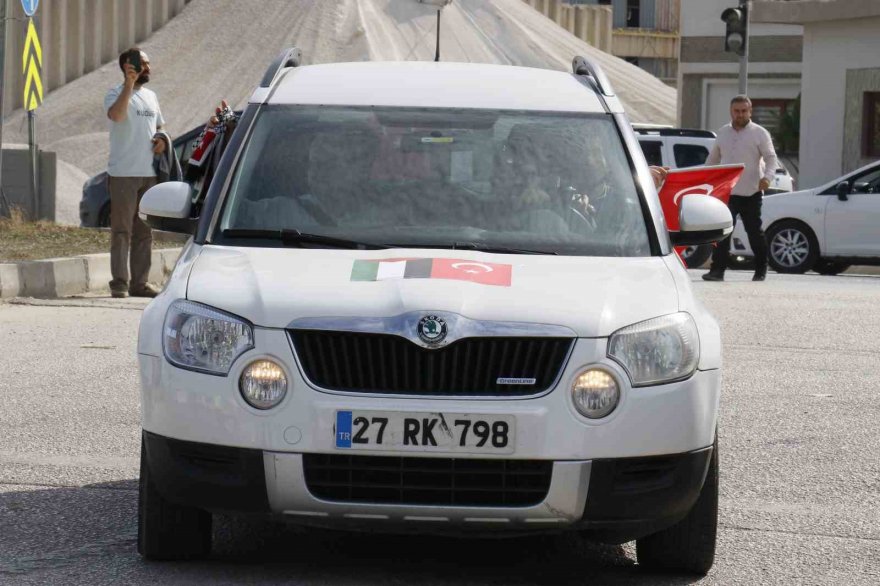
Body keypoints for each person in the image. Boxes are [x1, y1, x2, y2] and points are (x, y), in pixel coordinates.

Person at [104, 48, 166, 298]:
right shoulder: (114, 94)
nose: (149, 68)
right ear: (128, 66)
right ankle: (119, 282)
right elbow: (117, 115)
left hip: (148, 173)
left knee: (144, 232)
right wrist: (128, 85)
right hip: (123, 174)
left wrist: (162, 139)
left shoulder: (151, 96)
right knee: (121, 231)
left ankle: (139, 284)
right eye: (143, 64)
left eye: (149, 63)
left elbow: (160, 126)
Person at [702, 95, 779, 282]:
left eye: (744, 111)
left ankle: (761, 269)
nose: (740, 114)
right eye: (737, 111)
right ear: (731, 111)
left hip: (751, 191)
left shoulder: (759, 133)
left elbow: (771, 158)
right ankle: (717, 270)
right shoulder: (723, 132)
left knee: (754, 232)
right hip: (727, 192)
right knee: (723, 232)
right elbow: (713, 160)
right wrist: (704, 180)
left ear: (750, 111)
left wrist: (767, 178)